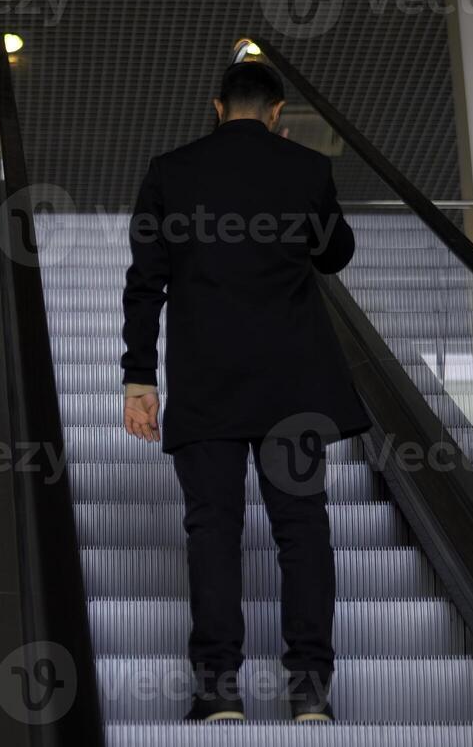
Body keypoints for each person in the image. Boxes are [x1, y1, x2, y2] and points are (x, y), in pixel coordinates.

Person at [119, 59, 368, 723]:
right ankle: (310, 692)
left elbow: (146, 281)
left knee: (212, 530)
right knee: (303, 528)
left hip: (207, 381)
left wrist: (139, 377)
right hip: (293, 381)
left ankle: (217, 690)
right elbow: (335, 253)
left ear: (216, 105)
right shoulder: (307, 170)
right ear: (278, 111)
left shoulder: (171, 171)